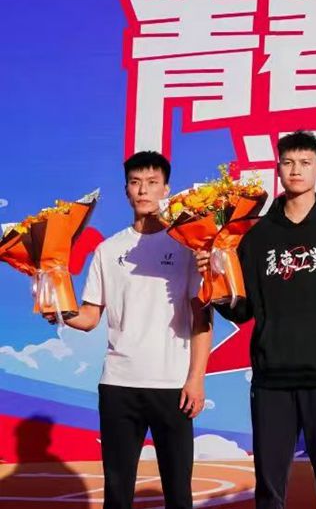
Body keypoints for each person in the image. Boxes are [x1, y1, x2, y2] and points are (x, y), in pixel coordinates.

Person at [200, 130, 316, 509]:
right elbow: (243, 310)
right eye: (289, 162)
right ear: (278, 168)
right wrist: (213, 282)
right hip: (272, 381)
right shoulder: (256, 234)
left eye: (305, 163)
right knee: (269, 493)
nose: (296, 170)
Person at [60, 151, 211, 509]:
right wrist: (57, 306)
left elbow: (202, 319)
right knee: (117, 490)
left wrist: (196, 379)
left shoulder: (187, 247)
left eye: (152, 182)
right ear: (126, 189)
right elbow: (89, 317)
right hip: (119, 385)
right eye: (135, 182)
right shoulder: (108, 249)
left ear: (166, 189)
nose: (143, 190)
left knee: (178, 491)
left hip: (172, 386)